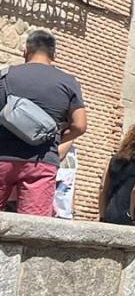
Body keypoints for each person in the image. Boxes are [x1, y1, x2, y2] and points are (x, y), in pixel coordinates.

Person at [0, 30, 87, 216]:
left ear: (26, 51)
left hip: (3, 156)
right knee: (33, 227)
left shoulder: (5, 76)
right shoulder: (68, 82)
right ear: (54, 54)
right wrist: (62, 138)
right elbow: (80, 125)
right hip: (42, 160)